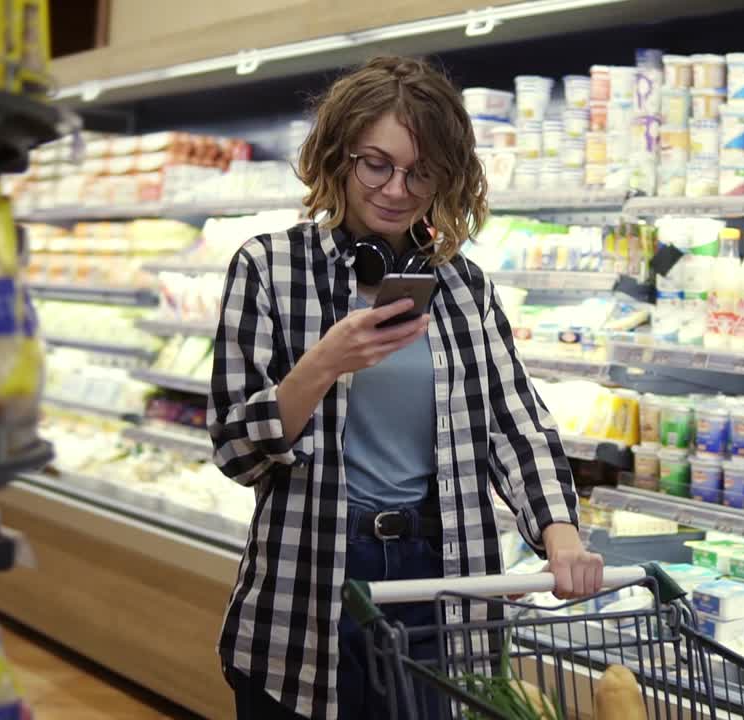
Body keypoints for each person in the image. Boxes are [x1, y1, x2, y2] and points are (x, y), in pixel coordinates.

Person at [208, 55, 604, 720]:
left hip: (440, 574)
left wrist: (560, 534)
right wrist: (321, 365)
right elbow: (235, 452)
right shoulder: (269, 268)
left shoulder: (462, 285)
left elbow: (515, 423)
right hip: (311, 584)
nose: (397, 188)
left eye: (421, 172)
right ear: (339, 156)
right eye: (376, 163)